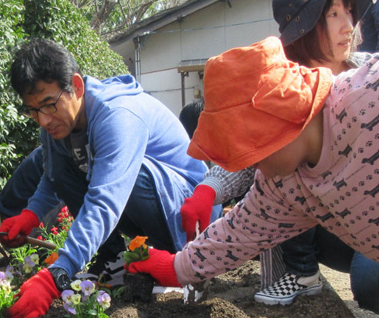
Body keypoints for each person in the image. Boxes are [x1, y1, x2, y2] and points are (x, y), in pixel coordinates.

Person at [180, 0, 379, 311]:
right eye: (332, 14)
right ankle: (298, 275)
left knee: (368, 279)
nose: (347, 25)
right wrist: (210, 186)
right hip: (350, 225)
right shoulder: (280, 89)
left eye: (348, 12)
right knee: (283, 188)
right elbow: (258, 162)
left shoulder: (367, 85)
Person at [127, 36, 379, 304]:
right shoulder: (284, 183)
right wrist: (175, 267)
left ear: (276, 118)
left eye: (249, 152)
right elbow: (240, 234)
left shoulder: (365, 96)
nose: (248, 166)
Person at [0, 38, 215, 318]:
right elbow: (54, 178)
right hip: (147, 202)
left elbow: (106, 200)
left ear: (76, 86)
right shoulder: (57, 123)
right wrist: (30, 215)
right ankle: (112, 259)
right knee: (66, 164)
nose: (43, 120)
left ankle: (179, 260)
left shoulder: (118, 116)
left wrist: (56, 275)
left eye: (48, 105)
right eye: (32, 110)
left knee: (125, 172)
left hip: (187, 213)